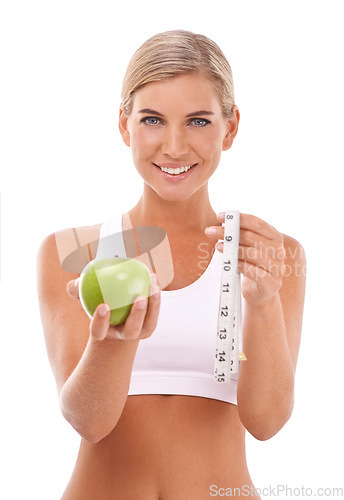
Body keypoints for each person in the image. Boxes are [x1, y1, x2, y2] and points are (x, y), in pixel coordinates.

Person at [36, 29, 307, 499]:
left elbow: (267, 422)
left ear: (232, 126)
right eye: (153, 120)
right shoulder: (73, 251)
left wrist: (261, 303)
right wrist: (115, 343)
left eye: (199, 121)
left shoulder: (268, 253)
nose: (175, 146)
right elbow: (88, 421)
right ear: (125, 126)